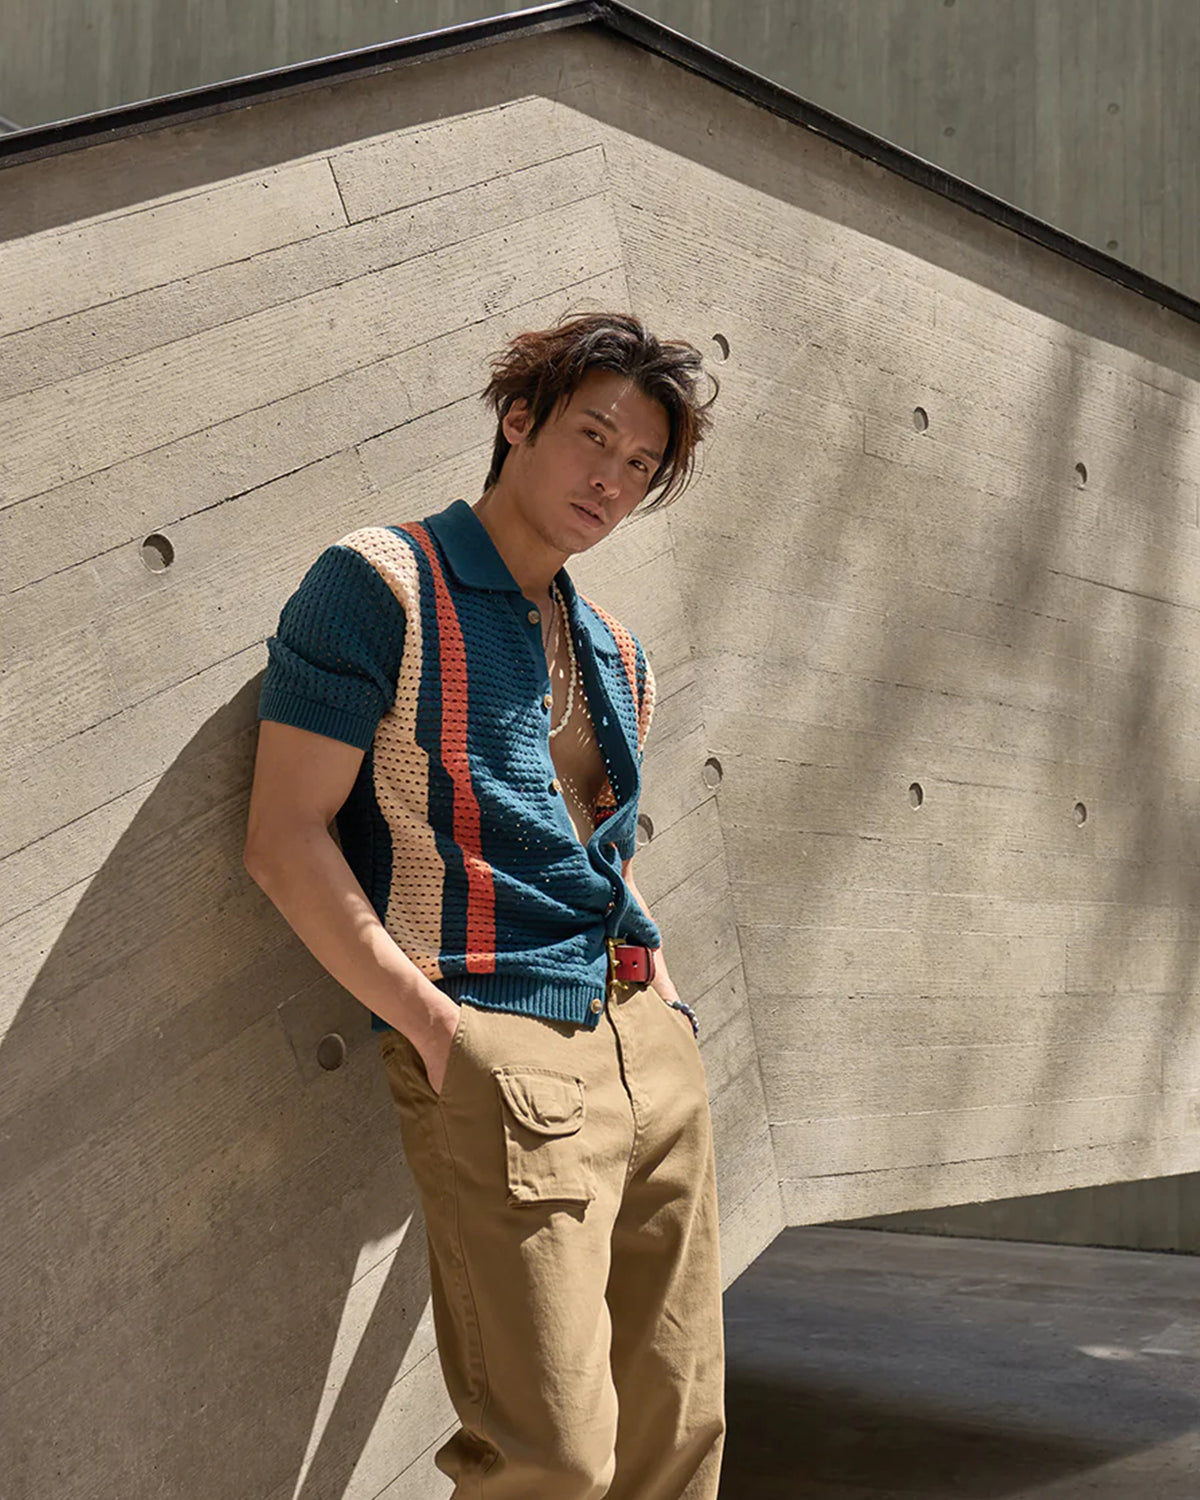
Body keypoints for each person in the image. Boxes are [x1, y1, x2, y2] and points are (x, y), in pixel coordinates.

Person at [243, 310, 724, 1498]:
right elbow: (285, 836)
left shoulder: (613, 653)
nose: (611, 479)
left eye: (640, 464)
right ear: (519, 421)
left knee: (675, 1441)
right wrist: (437, 1029)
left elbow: (596, 848)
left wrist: (666, 1000)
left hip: (647, 1050)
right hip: (497, 1042)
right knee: (550, 1460)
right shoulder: (382, 584)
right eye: (593, 437)